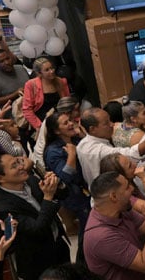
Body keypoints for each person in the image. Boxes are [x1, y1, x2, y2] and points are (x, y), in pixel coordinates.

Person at [0, 152, 71, 280]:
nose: (21, 167)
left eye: (18, 162)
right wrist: (48, 197)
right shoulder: (0, 208)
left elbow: (63, 195)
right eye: (14, 166)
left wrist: (57, 183)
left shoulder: (31, 179)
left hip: (59, 245)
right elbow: (37, 230)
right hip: (38, 261)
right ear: (0, 178)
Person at [84, 171, 145, 279]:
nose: (132, 188)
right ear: (113, 196)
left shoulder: (121, 209)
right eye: (127, 187)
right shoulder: (101, 236)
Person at [76, 107, 145, 186]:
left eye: (110, 120)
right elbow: (132, 154)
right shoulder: (97, 151)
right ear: (92, 129)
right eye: (106, 123)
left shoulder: (82, 145)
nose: (112, 124)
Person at [43, 111, 90, 260]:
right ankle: (82, 261)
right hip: (73, 193)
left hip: (84, 188)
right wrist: (71, 155)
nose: (71, 124)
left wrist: (84, 138)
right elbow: (64, 178)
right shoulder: (53, 151)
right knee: (87, 226)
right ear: (56, 131)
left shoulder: (74, 139)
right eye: (65, 123)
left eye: (70, 120)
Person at [21, 57, 70, 132]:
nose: (51, 71)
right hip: (41, 122)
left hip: (61, 121)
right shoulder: (31, 85)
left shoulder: (61, 81)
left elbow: (67, 102)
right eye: (47, 70)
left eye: (52, 68)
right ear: (39, 73)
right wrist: (39, 126)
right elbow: (27, 109)